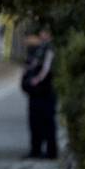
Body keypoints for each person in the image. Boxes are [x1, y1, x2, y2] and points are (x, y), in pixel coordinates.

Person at [21, 27, 57, 159]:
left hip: (45, 92)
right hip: (35, 93)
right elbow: (29, 66)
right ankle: (36, 149)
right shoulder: (37, 50)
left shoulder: (49, 49)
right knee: (35, 123)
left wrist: (35, 81)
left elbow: (46, 69)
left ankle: (50, 151)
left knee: (47, 123)